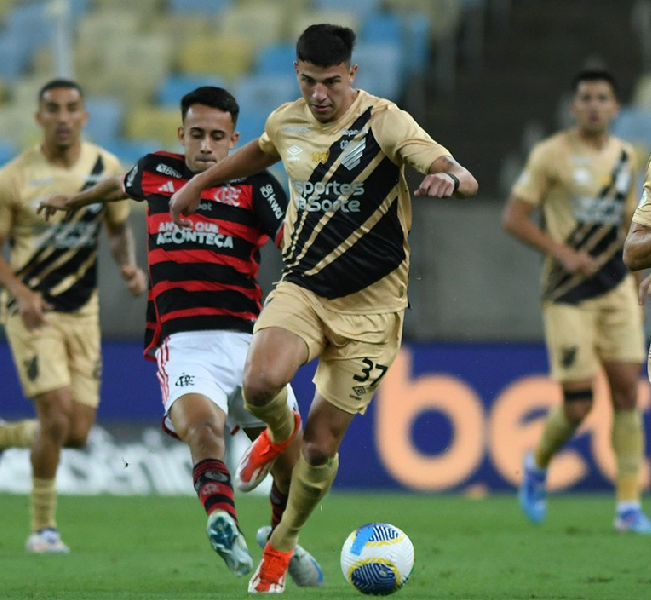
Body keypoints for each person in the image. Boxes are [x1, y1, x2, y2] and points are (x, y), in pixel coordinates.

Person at [170, 25, 478, 593]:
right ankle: (274, 437)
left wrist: (449, 175)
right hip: (305, 291)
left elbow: (448, 164)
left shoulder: (385, 121)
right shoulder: (285, 121)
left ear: (351, 76)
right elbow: (257, 154)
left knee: (319, 447)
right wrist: (199, 185)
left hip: (373, 313)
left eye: (331, 82)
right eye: (309, 81)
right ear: (297, 74)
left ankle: (280, 547)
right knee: (260, 384)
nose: (320, 95)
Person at [38, 86, 323, 587]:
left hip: (251, 344)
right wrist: (74, 200)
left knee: (291, 460)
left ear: (234, 139)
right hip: (184, 342)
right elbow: (117, 186)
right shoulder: (156, 170)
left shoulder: (257, 185)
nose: (207, 146)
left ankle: (281, 539)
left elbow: (295, 246)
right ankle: (222, 521)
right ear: (181, 134)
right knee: (205, 431)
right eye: (197, 135)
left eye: (218, 137)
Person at [0, 79, 145, 554]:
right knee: (55, 417)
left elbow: (116, 228)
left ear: (84, 116)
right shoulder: (13, 177)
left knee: (75, 432)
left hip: (82, 311)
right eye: (53, 109)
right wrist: (20, 292)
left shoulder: (104, 167)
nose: (63, 117)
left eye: (72, 108)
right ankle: (43, 529)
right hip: (32, 313)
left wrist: (127, 264)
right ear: (39, 118)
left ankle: (1, 435)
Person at [503, 68, 650, 534]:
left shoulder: (630, 157)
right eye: (585, 97)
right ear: (574, 107)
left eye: (602, 98)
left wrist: (643, 274)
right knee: (579, 404)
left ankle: (628, 507)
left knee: (628, 391)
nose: (593, 105)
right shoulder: (551, 154)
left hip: (616, 288)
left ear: (615, 108)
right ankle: (537, 462)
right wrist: (564, 253)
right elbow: (514, 216)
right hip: (567, 293)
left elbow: (635, 222)